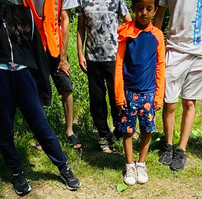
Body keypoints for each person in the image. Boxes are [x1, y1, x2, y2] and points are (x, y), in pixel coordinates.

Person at [0, 0, 82, 195]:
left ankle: (63, 167)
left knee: (40, 124)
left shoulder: (24, 14)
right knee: (4, 128)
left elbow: (36, 51)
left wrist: (42, 85)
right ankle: (17, 171)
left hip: (24, 75)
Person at [153, 0, 202, 171]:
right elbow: (159, 16)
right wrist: (156, 48)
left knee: (189, 102)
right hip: (174, 50)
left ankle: (181, 150)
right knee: (169, 102)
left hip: (201, 53)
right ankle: (168, 145)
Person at [114, 0, 165, 185]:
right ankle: (129, 165)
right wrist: (119, 95)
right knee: (127, 130)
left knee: (147, 129)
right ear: (133, 8)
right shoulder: (125, 32)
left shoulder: (157, 35)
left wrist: (158, 96)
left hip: (149, 94)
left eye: (149, 9)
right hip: (128, 93)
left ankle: (141, 163)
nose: (144, 12)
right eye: (140, 8)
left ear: (155, 11)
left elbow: (160, 66)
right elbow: (119, 64)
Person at [76, 0, 132, 153]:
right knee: (97, 98)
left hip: (114, 57)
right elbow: (80, 28)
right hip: (92, 58)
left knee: (117, 97)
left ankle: (120, 131)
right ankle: (103, 136)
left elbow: (129, 22)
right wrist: (80, 54)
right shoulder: (83, 1)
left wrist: (132, 47)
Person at [35, 0, 81, 150]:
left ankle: (70, 131)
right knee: (38, 90)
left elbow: (65, 20)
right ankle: (42, 135)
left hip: (56, 46)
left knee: (66, 86)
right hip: (34, 46)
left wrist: (63, 57)